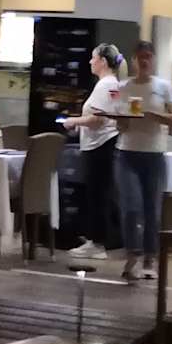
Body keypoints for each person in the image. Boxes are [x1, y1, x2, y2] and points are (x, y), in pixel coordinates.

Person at [111, 40, 172, 282]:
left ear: (153, 60)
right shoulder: (121, 87)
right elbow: (117, 119)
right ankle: (132, 254)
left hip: (154, 155)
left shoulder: (164, 87)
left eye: (148, 57)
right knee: (131, 207)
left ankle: (150, 258)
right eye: (139, 57)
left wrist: (156, 115)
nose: (144, 61)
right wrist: (120, 119)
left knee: (152, 209)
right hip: (127, 153)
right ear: (133, 60)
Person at [60, 43, 126, 262]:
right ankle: (99, 239)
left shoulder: (105, 85)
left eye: (93, 57)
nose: (90, 61)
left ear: (103, 62)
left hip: (99, 146)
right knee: (102, 193)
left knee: (97, 195)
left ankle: (96, 243)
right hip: (105, 144)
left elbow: (97, 119)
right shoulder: (114, 85)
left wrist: (73, 121)